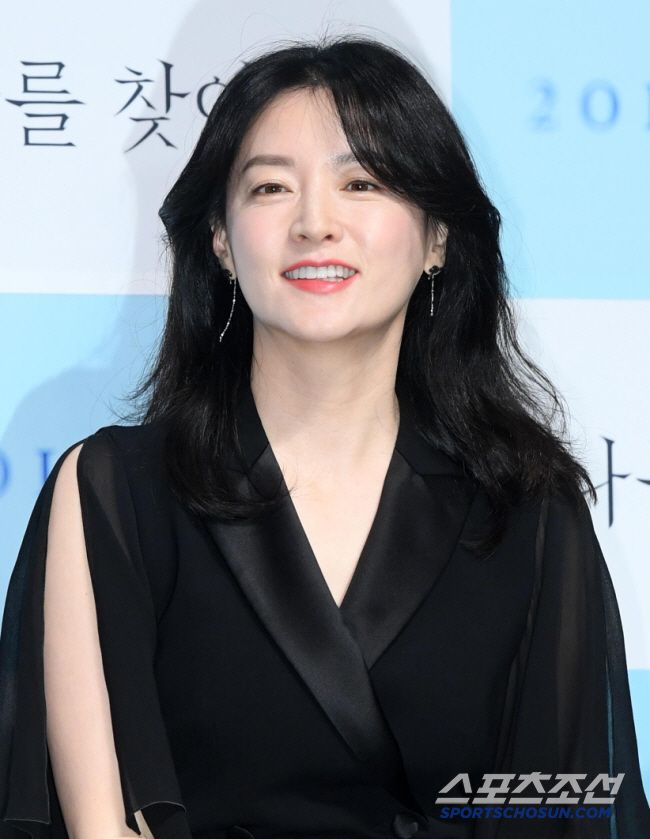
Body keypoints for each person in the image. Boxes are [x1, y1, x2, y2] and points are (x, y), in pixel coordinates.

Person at [0, 34, 648, 839]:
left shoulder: (529, 513)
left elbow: (564, 807)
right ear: (221, 239)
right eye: (271, 187)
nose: (315, 223)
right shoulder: (114, 493)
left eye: (362, 182)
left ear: (438, 237)